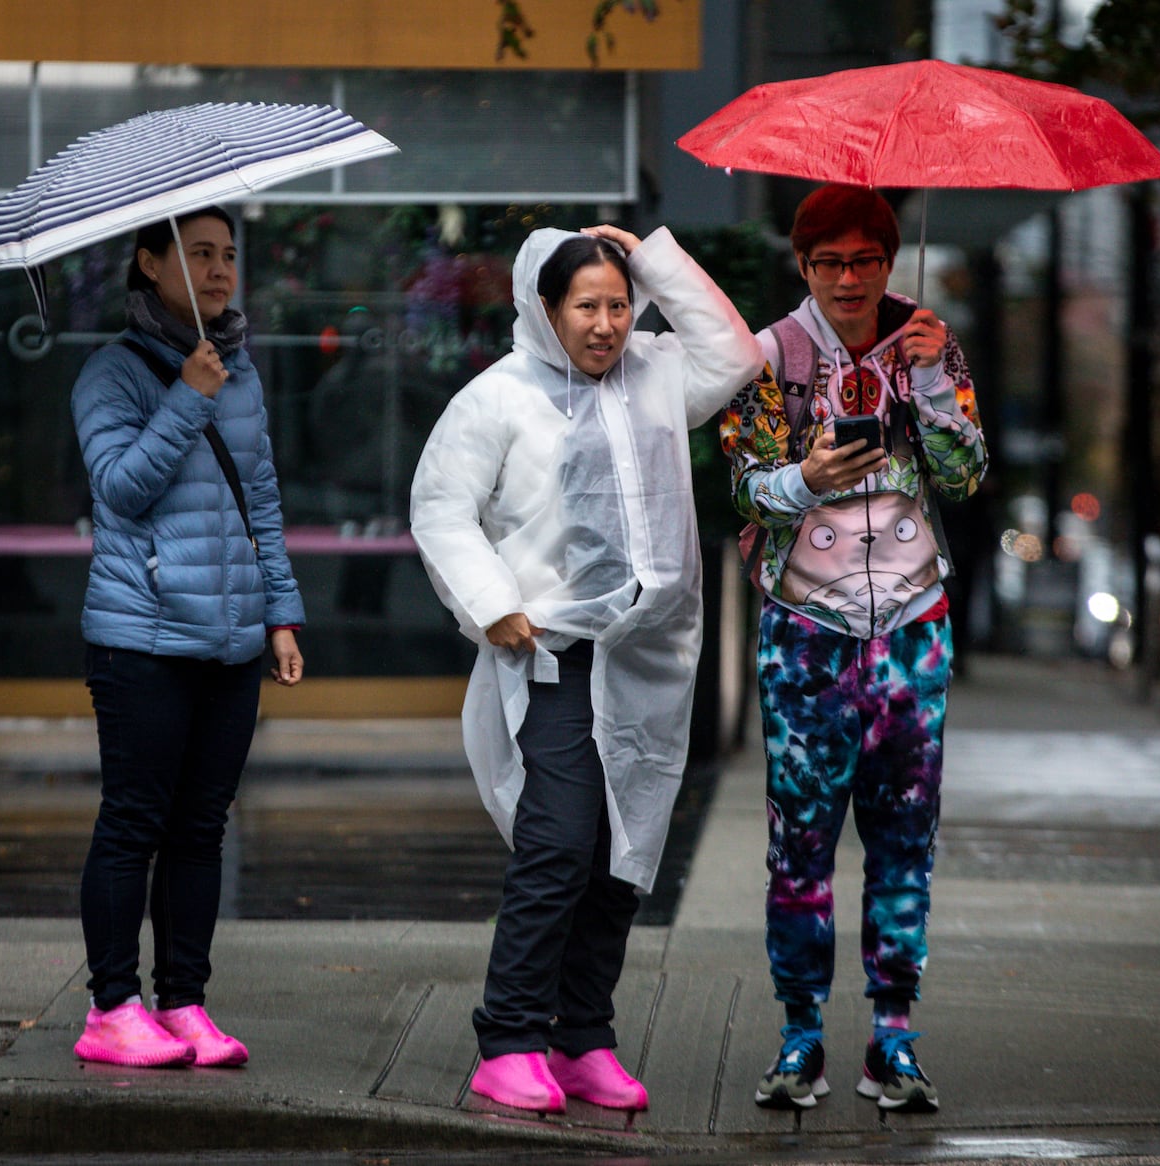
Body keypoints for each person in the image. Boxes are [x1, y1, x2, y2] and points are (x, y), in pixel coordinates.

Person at [411, 223, 762, 1113]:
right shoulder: (499, 397)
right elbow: (442, 508)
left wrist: (654, 259)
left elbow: (735, 355)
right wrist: (493, 604)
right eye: (585, 306)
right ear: (546, 307)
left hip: (647, 658)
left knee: (622, 852)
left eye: (618, 305)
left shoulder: (656, 375)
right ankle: (509, 1041)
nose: (606, 325)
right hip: (550, 656)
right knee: (560, 843)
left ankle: (582, 1038)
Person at [720, 184, 987, 1113]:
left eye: (865, 260)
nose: (847, 279)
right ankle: (801, 1034)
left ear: (887, 262)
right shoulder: (767, 356)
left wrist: (933, 384)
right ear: (803, 266)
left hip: (911, 626)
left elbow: (966, 476)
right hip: (808, 631)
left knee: (906, 837)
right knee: (799, 842)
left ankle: (893, 1038)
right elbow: (742, 488)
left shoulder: (930, 343)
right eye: (828, 262)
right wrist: (805, 477)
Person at [70, 206, 305, 1068]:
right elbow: (121, 490)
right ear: (149, 263)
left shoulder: (238, 369)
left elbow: (263, 503)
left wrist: (281, 614)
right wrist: (187, 396)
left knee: (202, 827)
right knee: (134, 822)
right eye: (198, 253)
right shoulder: (110, 373)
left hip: (232, 638)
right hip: (142, 638)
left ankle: (184, 1003)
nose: (218, 270)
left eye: (228, 255)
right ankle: (111, 1008)